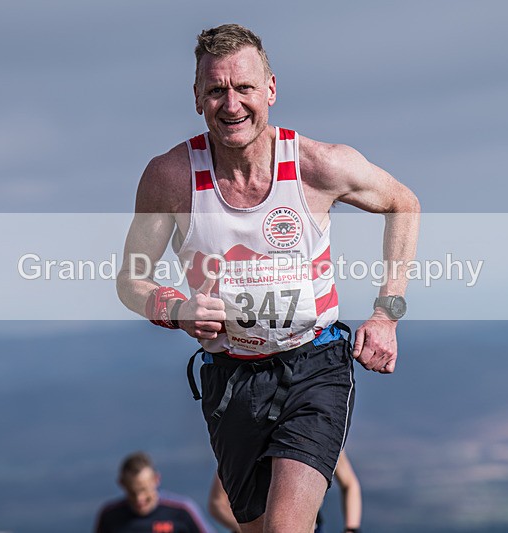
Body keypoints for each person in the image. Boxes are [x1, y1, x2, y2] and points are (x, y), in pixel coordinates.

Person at [117, 24, 419, 533]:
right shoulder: (170, 178)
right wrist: (176, 308)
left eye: (244, 88)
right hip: (231, 379)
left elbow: (403, 204)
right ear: (196, 97)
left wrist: (387, 314)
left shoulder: (316, 165)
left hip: (315, 363)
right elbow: (131, 279)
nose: (231, 104)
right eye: (216, 90)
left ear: (271, 90)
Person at [208, 450, 362, 533]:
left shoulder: (321, 441)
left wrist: (351, 528)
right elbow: (217, 503)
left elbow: (350, 484)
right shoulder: (249, 444)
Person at [94, 452, 214, 533]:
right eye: (132, 492)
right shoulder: (110, 516)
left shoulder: (182, 511)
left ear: (156, 480)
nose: (139, 499)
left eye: (144, 490)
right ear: (121, 483)